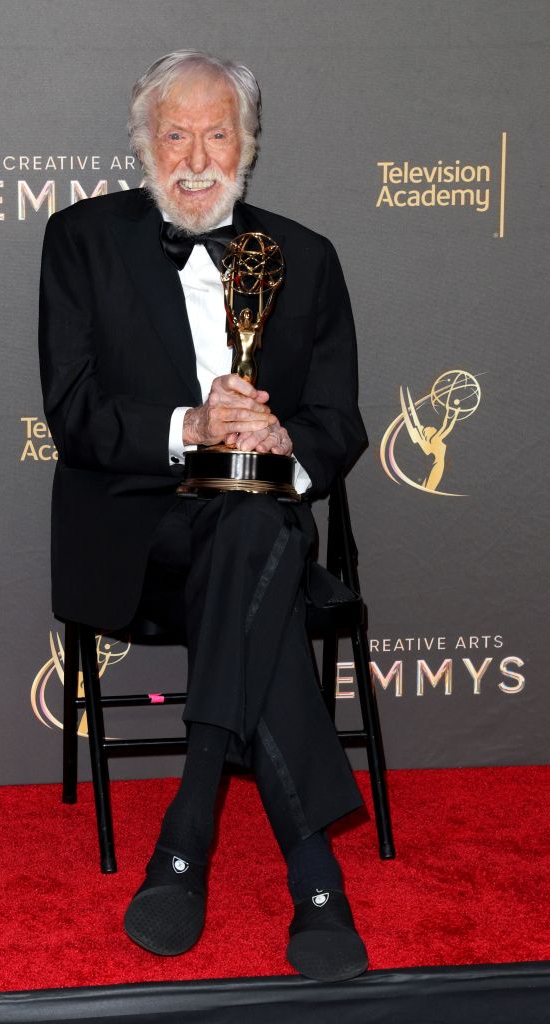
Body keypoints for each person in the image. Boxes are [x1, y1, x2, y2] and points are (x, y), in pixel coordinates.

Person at [38, 50, 369, 982]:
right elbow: (74, 414)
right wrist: (191, 425)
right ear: (143, 144)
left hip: (255, 531)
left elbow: (340, 421)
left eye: (216, 132)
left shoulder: (307, 256)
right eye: (172, 133)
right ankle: (314, 877)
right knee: (252, 561)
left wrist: (280, 447)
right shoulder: (80, 241)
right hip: (139, 539)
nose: (195, 154)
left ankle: (189, 829)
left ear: (249, 144)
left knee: (254, 525)